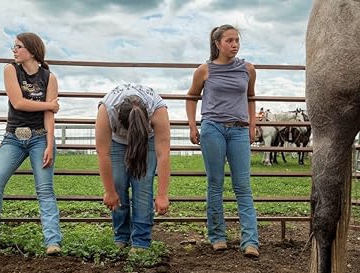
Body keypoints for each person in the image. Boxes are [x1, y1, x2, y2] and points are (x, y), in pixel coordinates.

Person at [0, 32, 62, 256]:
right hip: (13, 138)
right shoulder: (10, 70)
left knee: (45, 190)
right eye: (14, 47)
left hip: (40, 137)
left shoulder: (49, 77)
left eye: (18, 46)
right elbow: (18, 103)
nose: (14, 50)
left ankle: (53, 242)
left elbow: (50, 115)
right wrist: (50, 104)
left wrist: (49, 143)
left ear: (31, 50)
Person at [186, 24, 259, 258]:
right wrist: (192, 125)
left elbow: (250, 98)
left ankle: (250, 241)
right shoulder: (204, 70)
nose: (234, 45)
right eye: (229, 41)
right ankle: (217, 236)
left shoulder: (247, 69)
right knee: (215, 183)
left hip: (239, 130)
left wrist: (252, 125)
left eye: (237, 40)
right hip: (212, 129)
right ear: (217, 44)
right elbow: (191, 98)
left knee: (243, 186)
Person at [95, 83, 170, 252]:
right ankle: (121, 235)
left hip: (146, 140)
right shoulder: (107, 110)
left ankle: (141, 241)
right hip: (116, 143)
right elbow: (103, 153)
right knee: (118, 183)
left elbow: (163, 153)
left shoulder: (157, 110)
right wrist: (110, 191)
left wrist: (163, 194)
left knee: (143, 185)